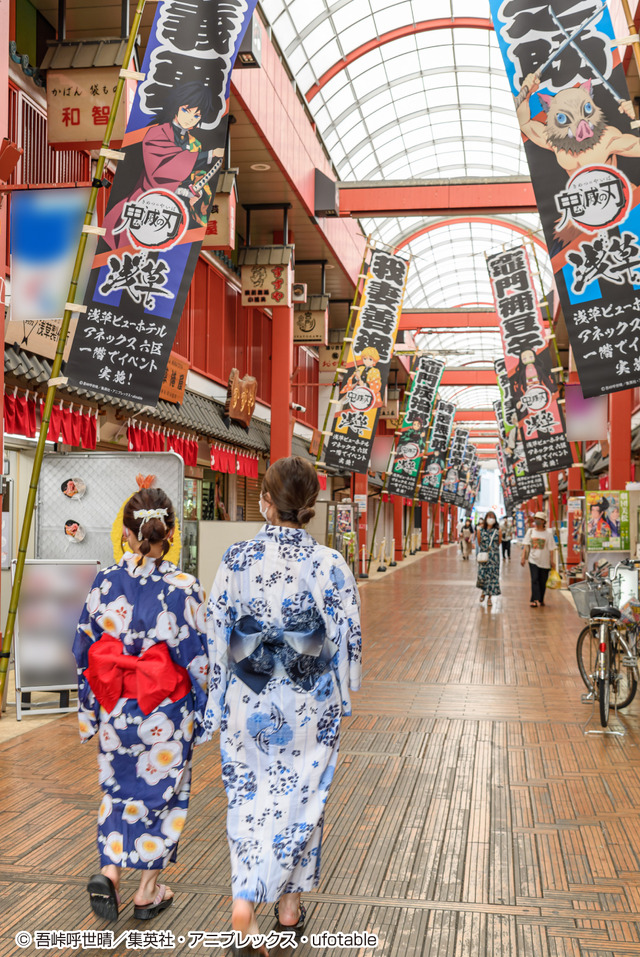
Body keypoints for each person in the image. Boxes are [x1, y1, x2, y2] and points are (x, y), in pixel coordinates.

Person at [205, 457, 361, 955]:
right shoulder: (329, 563)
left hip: (246, 696)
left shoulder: (236, 559)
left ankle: (249, 902)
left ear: (264, 502)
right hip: (307, 702)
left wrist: (212, 699)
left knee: (247, 798)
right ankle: (278, 908)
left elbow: (215, 632)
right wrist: (345, 686)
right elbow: (346, 635)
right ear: (312, 505)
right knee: (303, 800)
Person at [72, 486, 209, 922]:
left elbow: (83, 649)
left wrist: (89, 710)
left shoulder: (105, 580)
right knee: (162, 797)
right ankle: (147, 892)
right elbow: (199, 658)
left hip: (117, 707)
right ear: (170, 531)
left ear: (128, 534)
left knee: (116, 791)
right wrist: (205, 713)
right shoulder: (183, 587)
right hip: (165, 714)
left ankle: (110, 873)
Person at [521, 510, 556, 608]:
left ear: (544, 521)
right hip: (533, 560)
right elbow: (526, 545)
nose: (537, 521)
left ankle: (541, 599)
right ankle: (534, 600)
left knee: (542, 581)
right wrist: (523, 557)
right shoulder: (530, 531)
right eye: (536, 519)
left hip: (545, 561)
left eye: (540, 519)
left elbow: (551, 549)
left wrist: (552, 561)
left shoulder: (548, 534)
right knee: (534, 579)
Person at [476, 511, 501, 607]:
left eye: (493, 517)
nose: (491, 519)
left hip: (494, 558)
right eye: (489, 517)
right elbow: (479, 542)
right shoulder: (480, 530)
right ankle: (483, 592)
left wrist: (492, 550)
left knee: (491, 578)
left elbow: (498, 543)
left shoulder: (498, 530)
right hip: (484, 557)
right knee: (483, 576)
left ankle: (489, 598)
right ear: (486, 518)